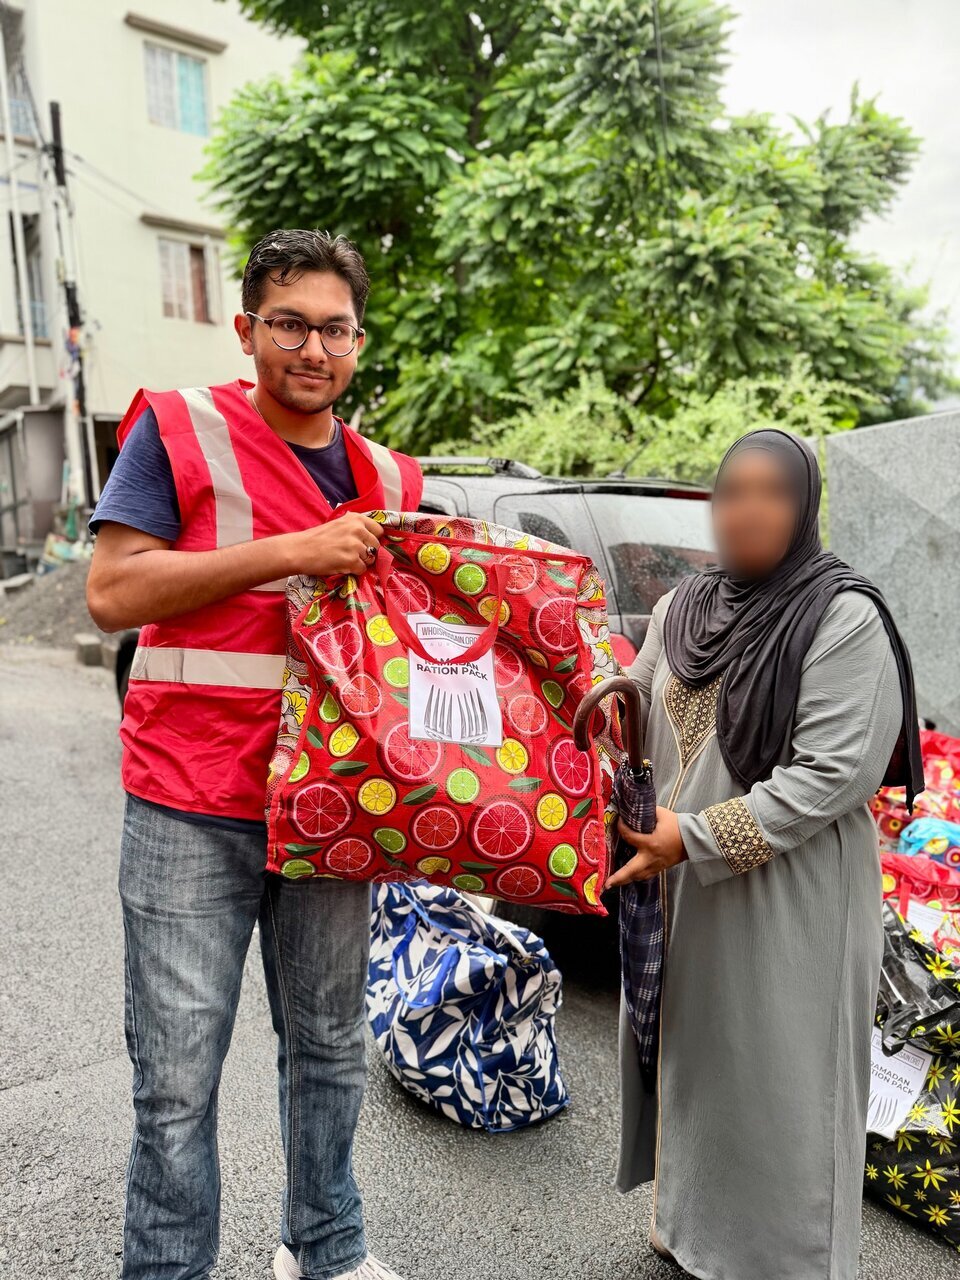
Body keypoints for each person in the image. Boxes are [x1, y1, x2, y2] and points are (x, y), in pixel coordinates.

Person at [86, 229, 423, 1280]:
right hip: (189, 799)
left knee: (329, 1049)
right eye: (290, 324)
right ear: (247, 329)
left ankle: (326, 1248)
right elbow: (112, 592)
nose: (313, 348)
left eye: (335, 328)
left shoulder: (390, 476)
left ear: (359, 340)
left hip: (333, 807)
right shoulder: (178, 429)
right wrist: (291, 551)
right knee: (177, 1078)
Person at [606, 429, 922, 1280]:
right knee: (701, 1063)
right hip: (686, 886)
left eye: (772, 493)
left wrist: (691, 836)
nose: (747, 510)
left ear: (807, 505)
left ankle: (787, 1262)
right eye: (732, 492)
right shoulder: (683, 607)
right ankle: (691, 1230)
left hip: (792, 895)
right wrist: (585, 699)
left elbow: (834, 774)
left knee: (781, 1084)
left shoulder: (842, 615)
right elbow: (635, 698)